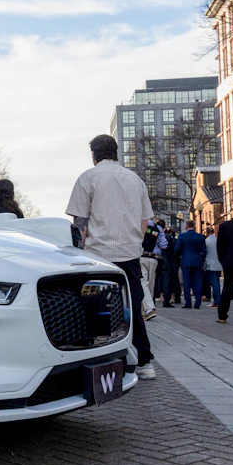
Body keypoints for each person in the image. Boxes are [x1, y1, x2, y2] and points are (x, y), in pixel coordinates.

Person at [66, 134, 156, 381]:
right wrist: (133, 240)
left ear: (94, 154)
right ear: (116, 152)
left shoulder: (87, 178)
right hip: (130, 253)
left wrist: (78, 248)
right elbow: (145, 221)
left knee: (95, 308)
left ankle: (99, 360)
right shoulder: (135, 180)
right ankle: (144, 360)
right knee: (133, 306)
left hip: (98, 254)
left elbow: (80, 223)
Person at [175, 220, 207, 309]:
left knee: (187, 283)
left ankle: (188, 303)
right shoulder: (200, 237)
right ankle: (197, 303)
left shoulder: (182, 236)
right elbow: (204, 251)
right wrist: (201, 260)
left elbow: (177, 249)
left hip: (186, 261)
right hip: (197, 262)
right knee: (198, 283)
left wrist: (180, 257)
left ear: (186, 226)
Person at [140, 219, 165, 321]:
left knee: (143, 282)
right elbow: (164, 245)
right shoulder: (157, 228)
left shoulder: (139, 224)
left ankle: (148, 309)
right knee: (150, 285)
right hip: (153, 258)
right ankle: (146, 311)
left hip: (141, 257)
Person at [204, 226, 222, 309]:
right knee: (217, 282)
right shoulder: (218, 240)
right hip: (218, 264)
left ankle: (217, 301)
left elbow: (205, 253)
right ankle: (217, 300)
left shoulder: (206, 241)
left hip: (210, 264)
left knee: (214, 284)